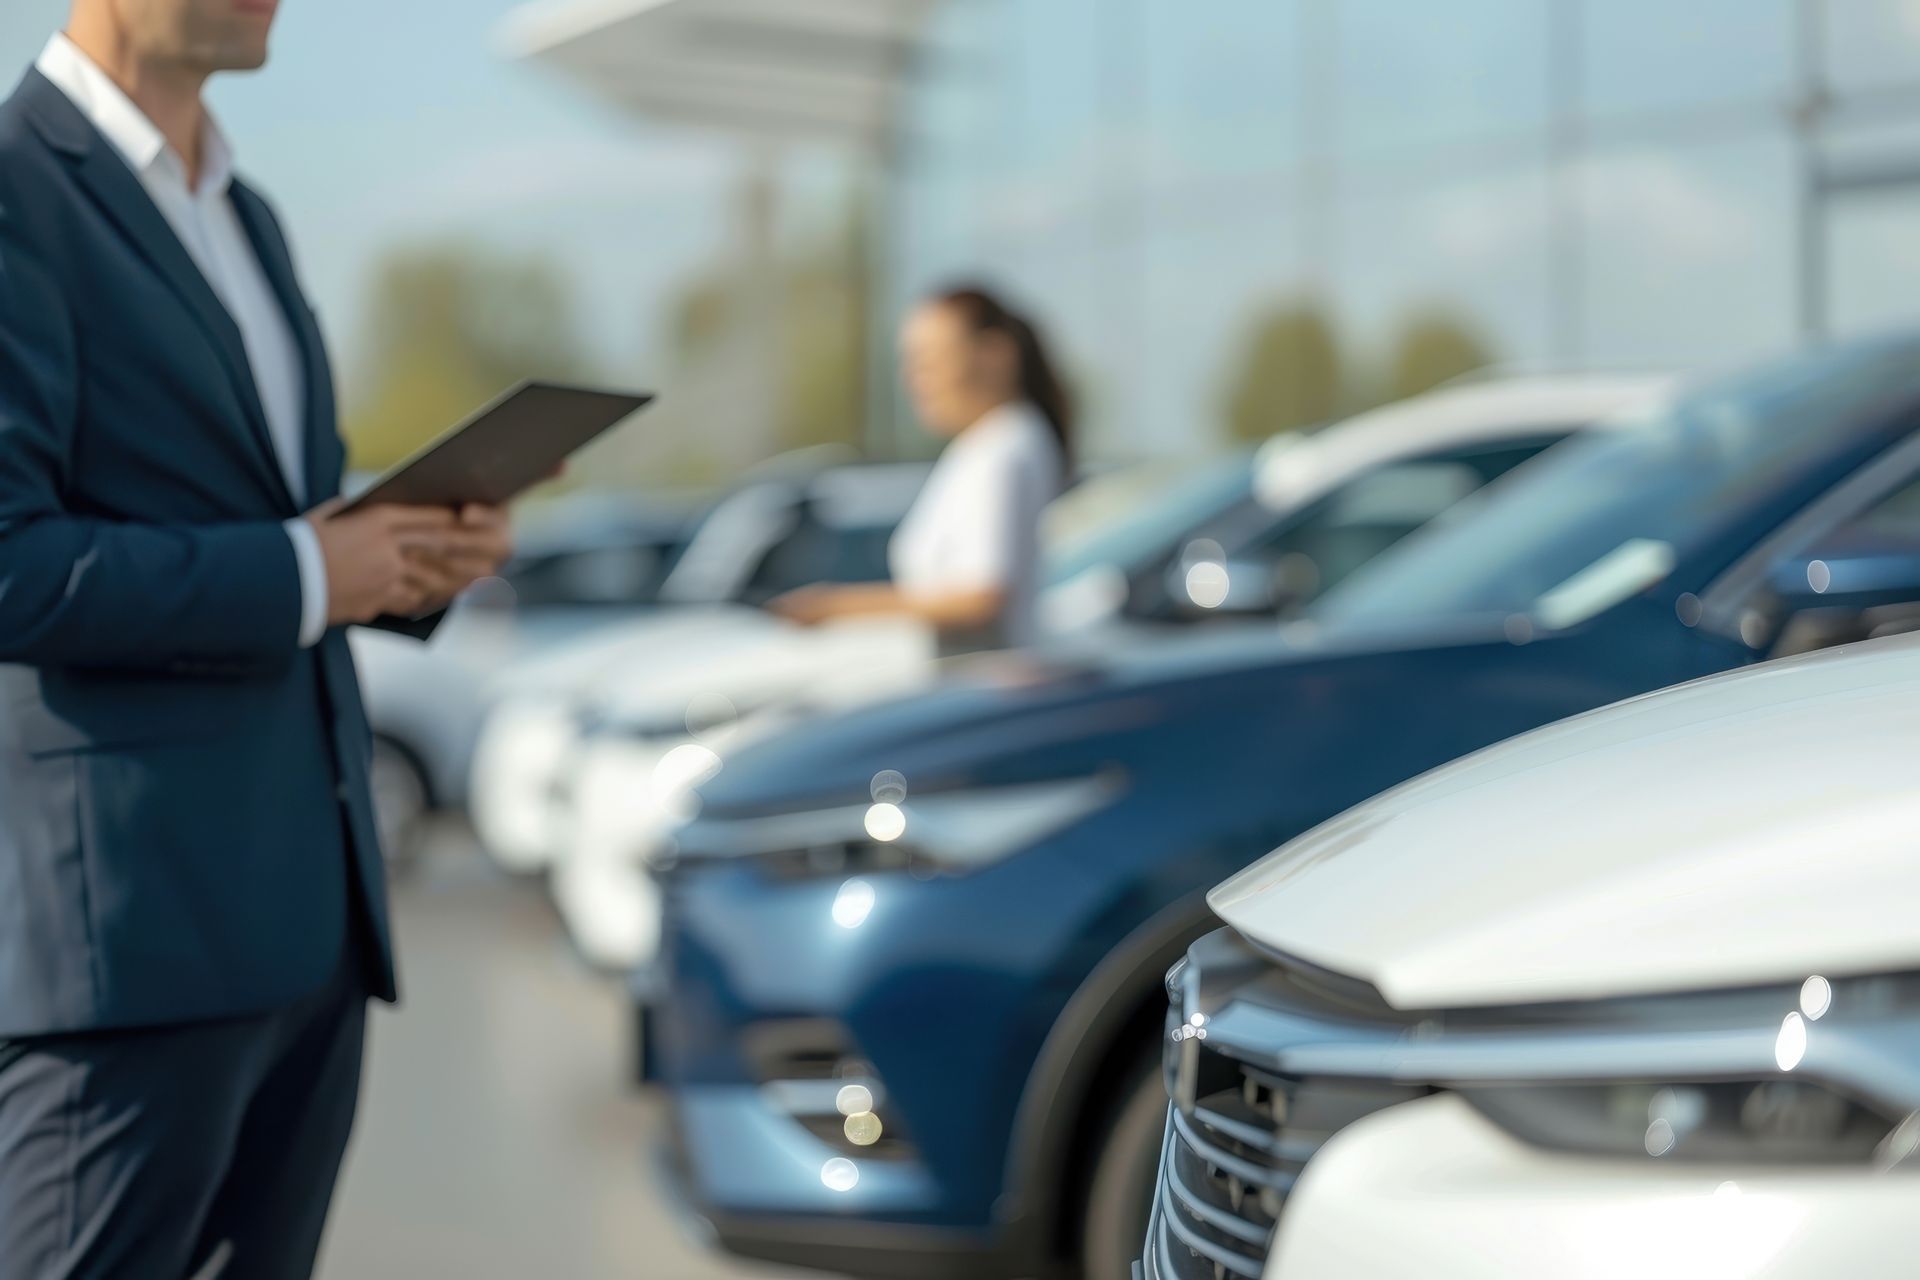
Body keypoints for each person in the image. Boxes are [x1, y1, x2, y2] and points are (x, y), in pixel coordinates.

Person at [0, 3, 513, 1276]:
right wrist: (300, 568)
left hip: (311, 926)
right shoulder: (17, 187)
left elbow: (293, 527)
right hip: (132, 944)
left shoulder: (250, 214)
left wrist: (406, 559)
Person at [772, 286, 1071, 654]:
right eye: (911, 363)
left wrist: (835, 607)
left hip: (983, 688)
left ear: (993, 354)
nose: (915, 380)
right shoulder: (988, 443)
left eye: (930, 361)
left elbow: (982, 593)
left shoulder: (1005, 446)